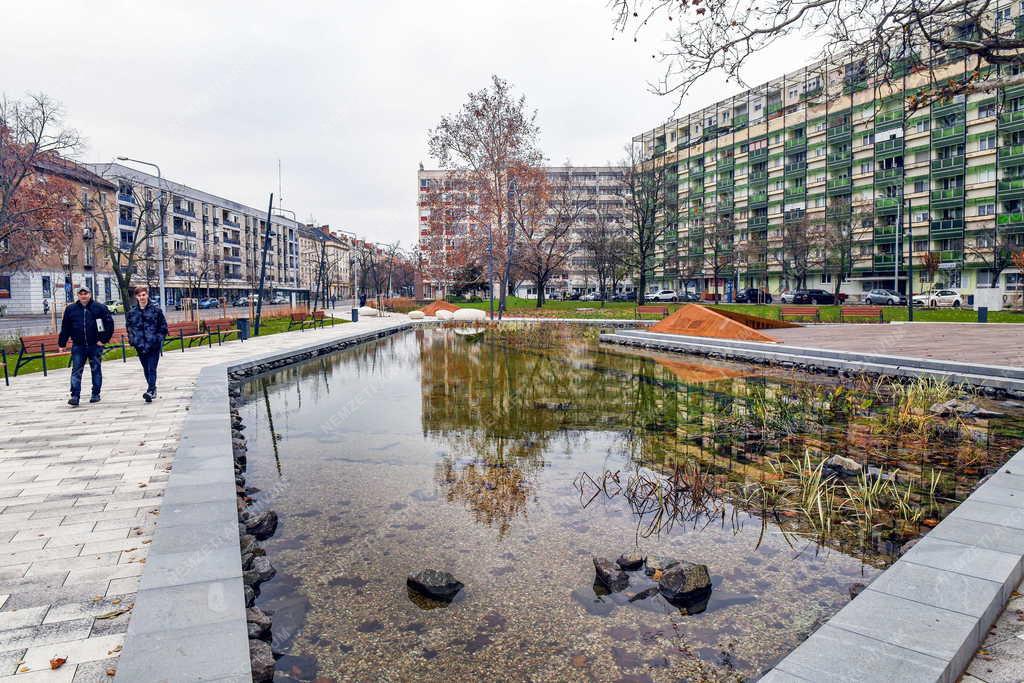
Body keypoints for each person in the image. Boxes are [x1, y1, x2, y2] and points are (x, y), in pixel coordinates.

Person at [58, 285, 114, 407]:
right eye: (81, 294)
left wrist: (103, 340)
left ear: (90, 294)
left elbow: (109, 324)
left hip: (95, 344)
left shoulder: (99, 308)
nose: (83, 296)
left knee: (96, 369)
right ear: (78, 295)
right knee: (76, 370)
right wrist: (62, 343)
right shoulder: (71, 309)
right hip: (78, 345)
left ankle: (95, 394)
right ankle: (75, 396)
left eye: (86, 293)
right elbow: (65, 327)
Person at [126, 286, 168, 403]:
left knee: (151, 368)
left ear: (147, 295)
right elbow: (129, 327)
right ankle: (152, 389)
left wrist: (158, 339)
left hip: (153, 345)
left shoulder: (156, 310)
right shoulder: (132, 313)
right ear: (136, 297)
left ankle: (150, 390)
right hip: (140, 345)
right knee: (146, 368)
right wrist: (132, 340)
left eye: (143, 295)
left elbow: (163, 327)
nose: (142, 297)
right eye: (139, 296)